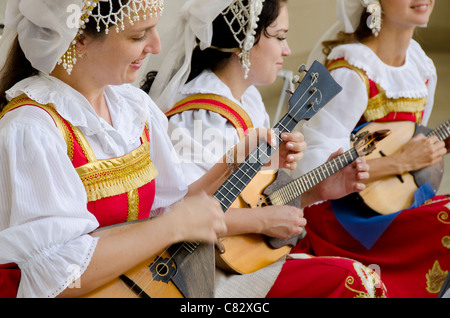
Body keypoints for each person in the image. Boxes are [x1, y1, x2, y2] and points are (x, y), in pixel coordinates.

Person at [0, 0, 301, 298]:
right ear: (78, 39)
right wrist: (169, 228)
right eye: (138, 36)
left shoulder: (131, 106)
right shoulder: (33, 129)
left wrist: (233, 162)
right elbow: (59, 278)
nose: (156, 46)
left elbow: (173, 204)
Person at [147, 0, 388, 298]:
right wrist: (262, 221)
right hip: (202, 271)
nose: (287, 50)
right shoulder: (199, 116)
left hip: (246, 255)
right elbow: (176, 213)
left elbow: (253, 199)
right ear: (243, 42)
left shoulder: (248, 101)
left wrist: (318, 190)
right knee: (357, 281)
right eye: (279, 36)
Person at [290, 0, 450, 297]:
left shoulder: (421, 67)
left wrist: (430, 152)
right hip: (343, 218)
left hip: (396, 202)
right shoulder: (351, 70)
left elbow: (412, 145)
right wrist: (399, 163)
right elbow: (313, 174)